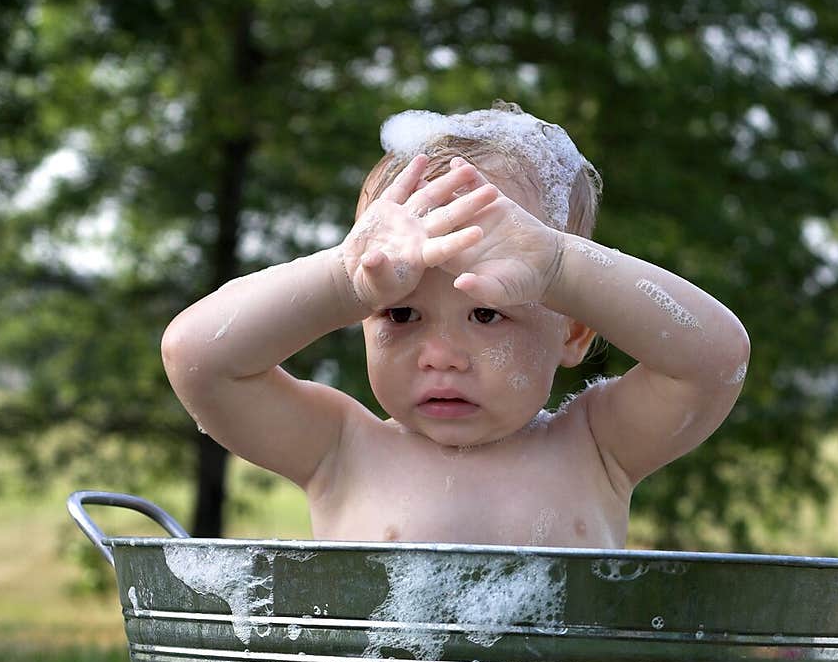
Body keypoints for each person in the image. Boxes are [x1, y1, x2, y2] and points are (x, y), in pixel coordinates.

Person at [161, 101, 750, 548]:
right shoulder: (338, 448)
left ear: (572, 331)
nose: (440, 354)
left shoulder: (598, 448)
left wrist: (560, 266)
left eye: (487, 314)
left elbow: (716, 362)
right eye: (401, 312)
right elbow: (197, 357)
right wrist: (343, 279)